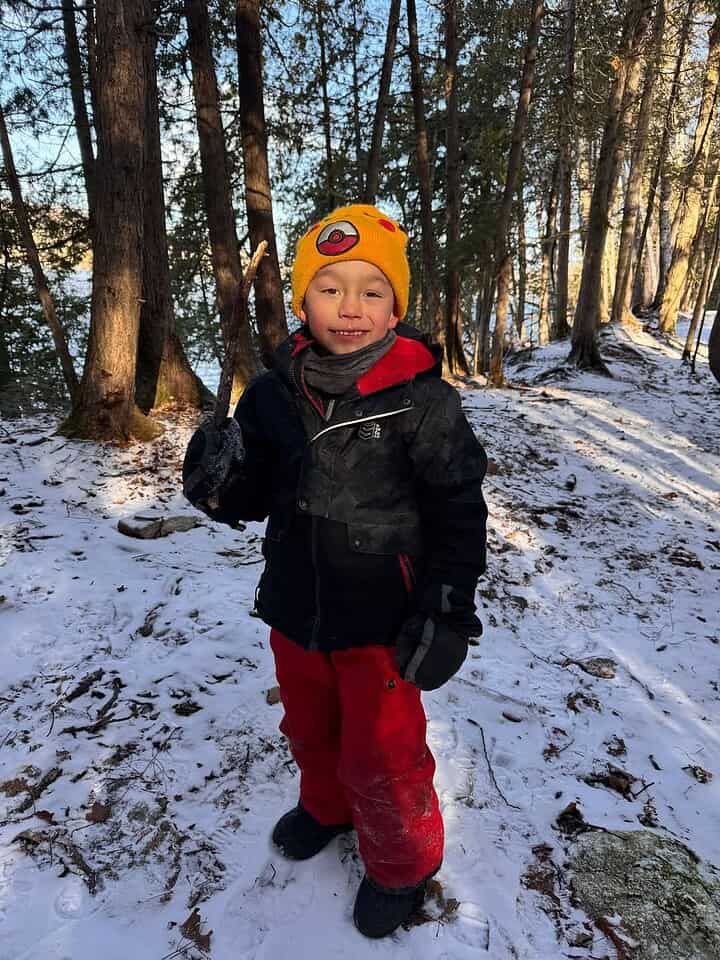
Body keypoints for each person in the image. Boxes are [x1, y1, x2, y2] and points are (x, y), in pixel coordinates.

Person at [183, 203, 488, 939]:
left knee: (382, 751)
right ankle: (326, 805)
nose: (349, 306)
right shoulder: (271, 394)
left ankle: (402, 862)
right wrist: (219, 485)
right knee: (309, 726)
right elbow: (258, 495)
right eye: (329, 288)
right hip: (294, 605)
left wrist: (446, 608)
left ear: (395, 308)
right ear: (302, 300)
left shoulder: (423, 402)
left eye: (371, 290)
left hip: (382, 617)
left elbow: (458, 508)